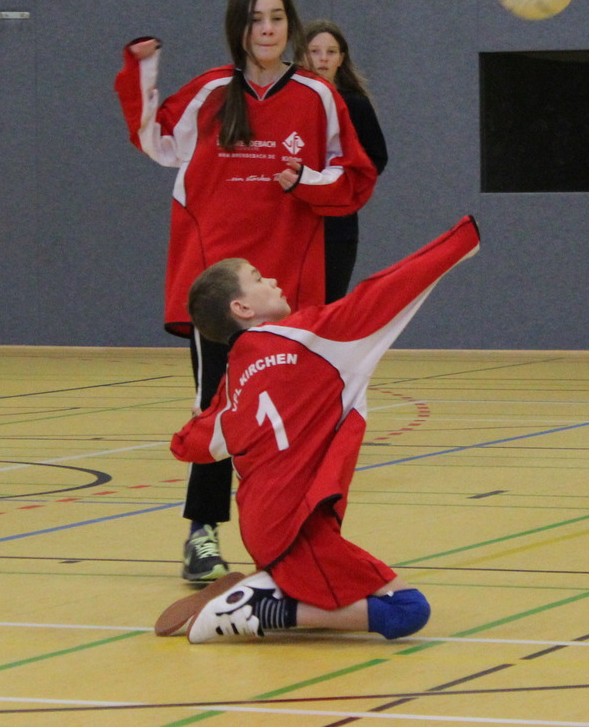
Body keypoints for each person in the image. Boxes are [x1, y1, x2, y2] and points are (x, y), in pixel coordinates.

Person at [114, 0, 378, 584]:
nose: (268, 29)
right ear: (239, 28)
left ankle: (302, 533)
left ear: (291, 26)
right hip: (221, 289)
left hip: (287, 287)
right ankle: (201, 533)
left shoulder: (316, 96)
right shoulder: (210, 93)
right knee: (217, 406)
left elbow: (353, 178)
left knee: (302, 414)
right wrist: (143, 70)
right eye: (257, 19)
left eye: (278, 18)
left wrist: (304, 181)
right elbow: (153, 138)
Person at [153, 216, 480, 643]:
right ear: (242, 308)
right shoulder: (315, 337)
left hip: (266, 524)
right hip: (295, 527)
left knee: (379, 601)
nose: (270, 278)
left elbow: (190, 444)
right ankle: (257, 609)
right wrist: (460, 242)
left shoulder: (232, 383)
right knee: (406, 612)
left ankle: (267, 589)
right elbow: (386, 289)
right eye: (256, 277)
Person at [306, 19, 390, 302]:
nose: (323, 58)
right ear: (303, 55)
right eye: (315, 51)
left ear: (341, 58)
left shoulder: (356, 105)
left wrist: (343, 185)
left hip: (338, 223)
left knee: (330, 304)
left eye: (331, 52)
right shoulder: (291, 102)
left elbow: (377, 157)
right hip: (296, 221)